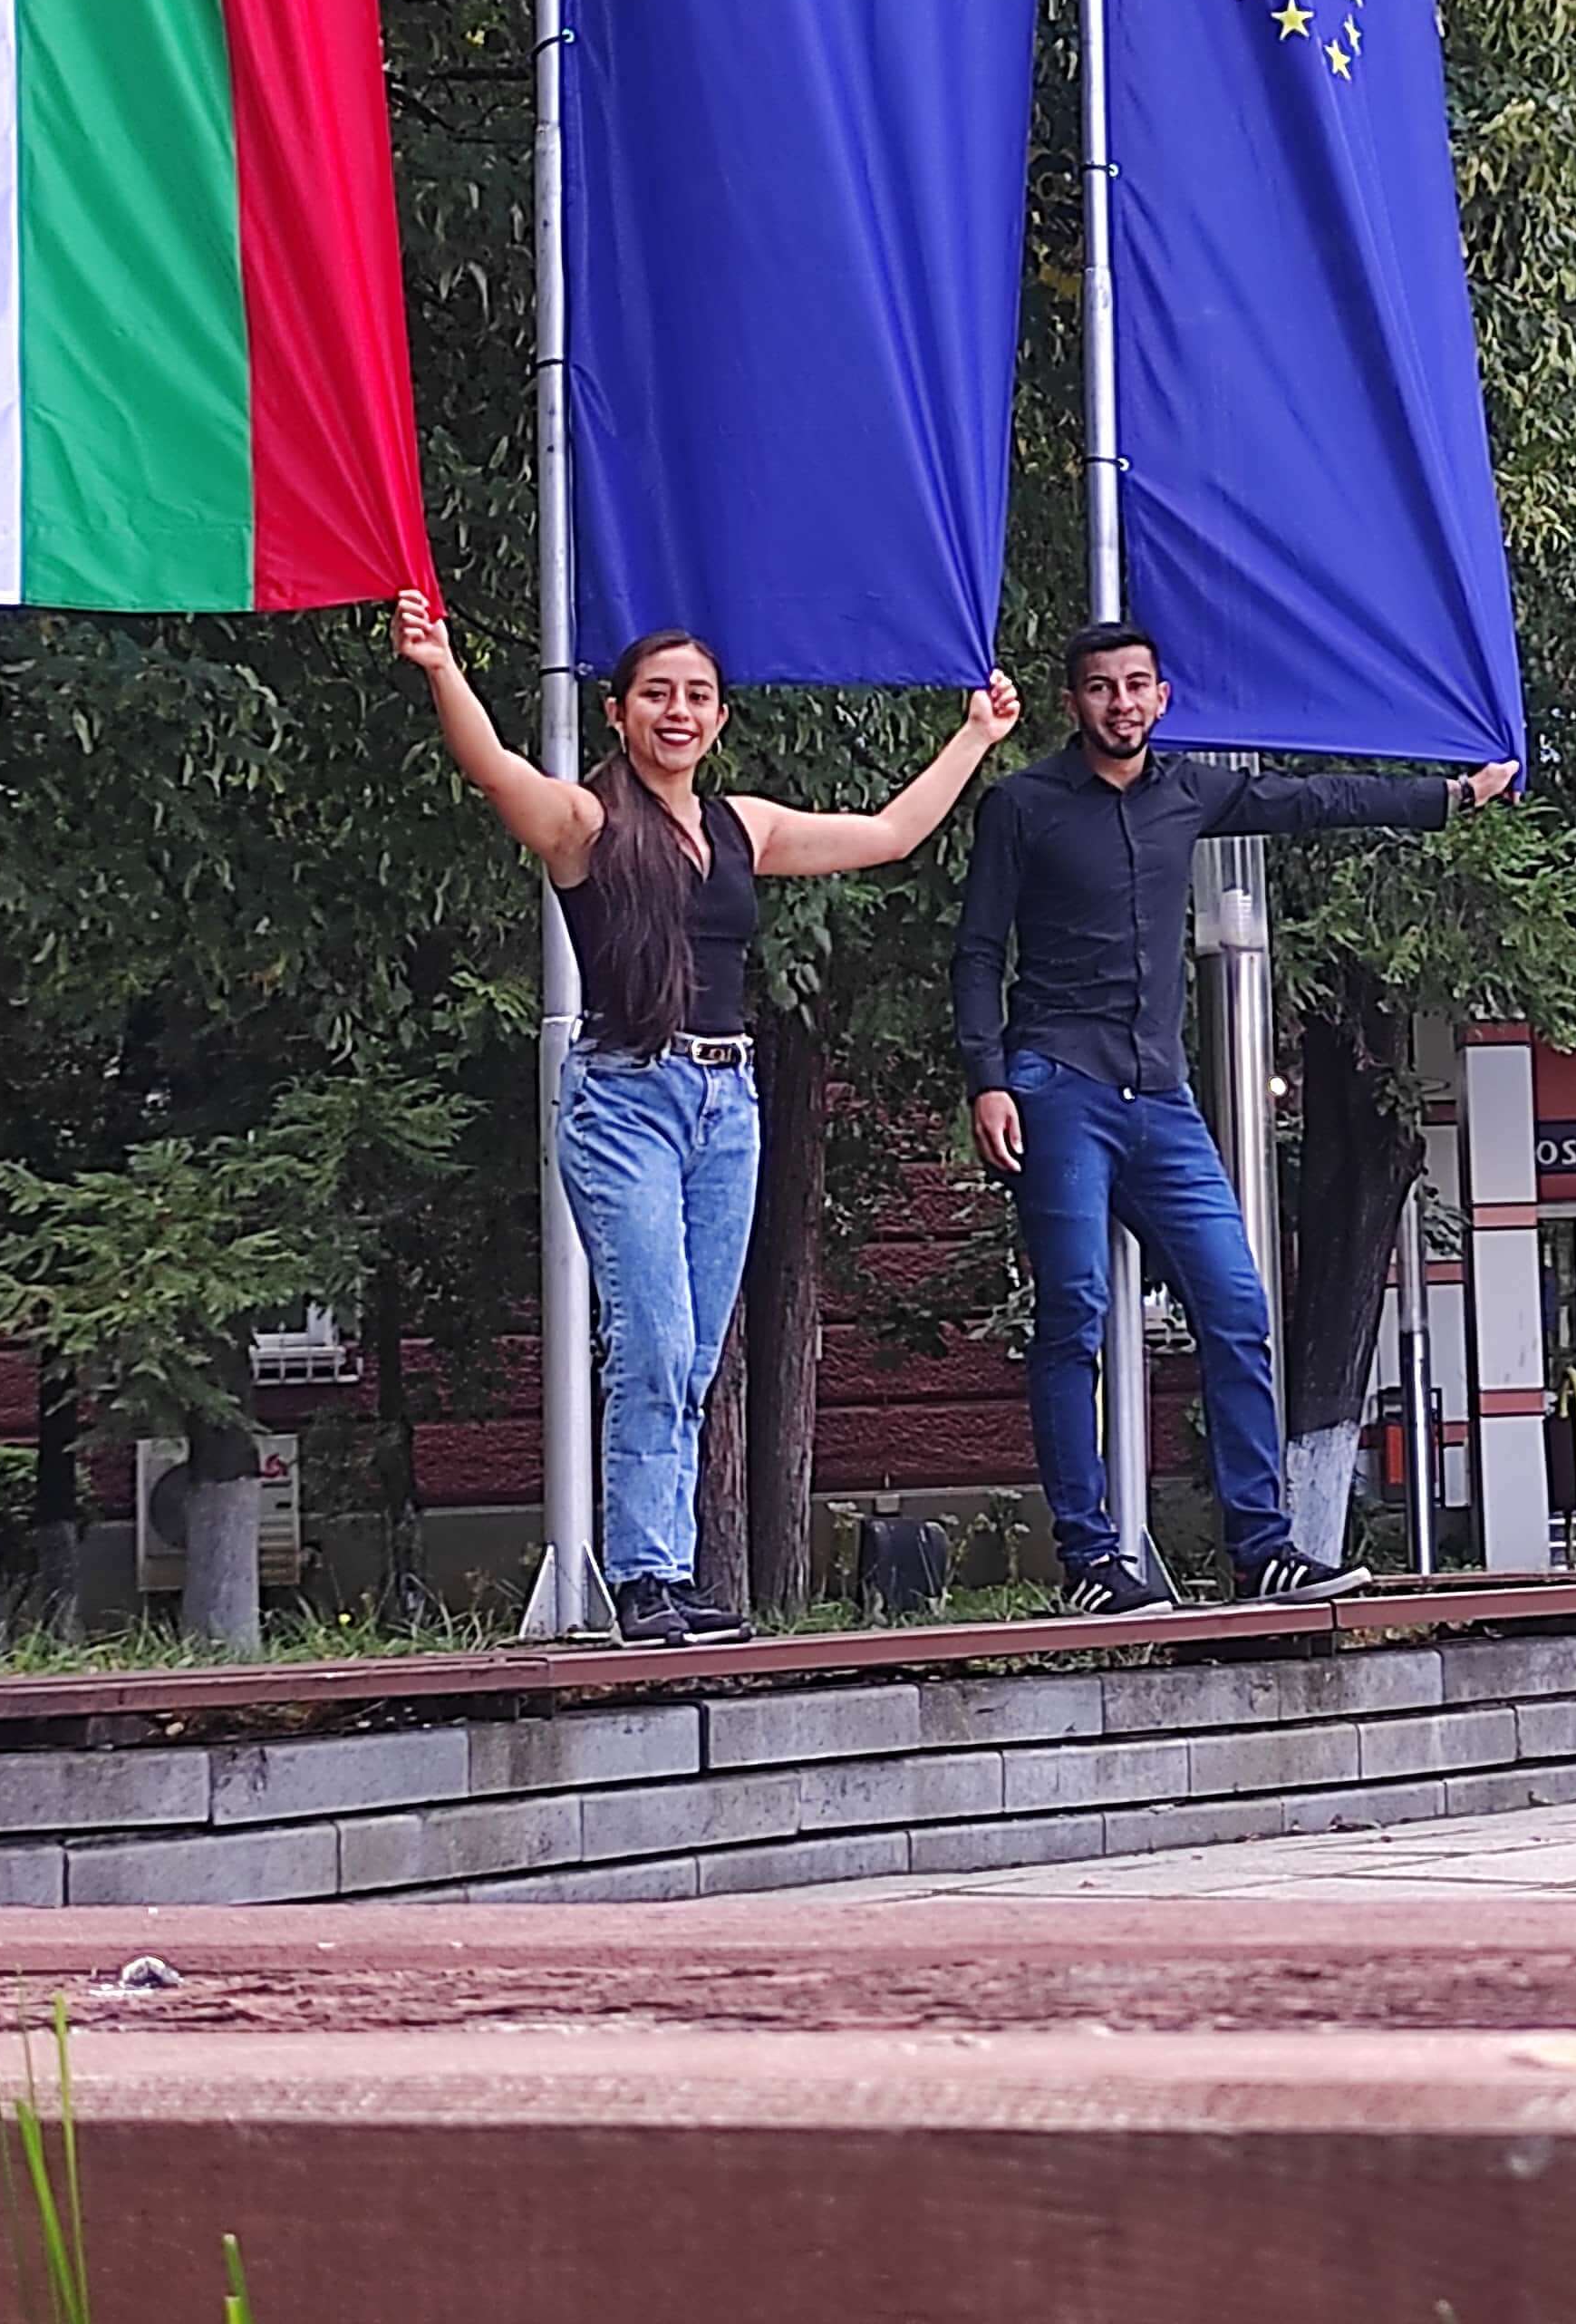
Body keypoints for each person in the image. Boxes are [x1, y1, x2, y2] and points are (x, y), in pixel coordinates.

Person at [397, 590, 1022, 1646]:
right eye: (656, 695)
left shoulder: (746, 823)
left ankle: (672, 1572)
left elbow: (885, 835)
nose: (676, 712)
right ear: (618, 712)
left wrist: (974, 735)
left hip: (728, 1103)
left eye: (696, 696)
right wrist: (440, 666)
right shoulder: (587, 823)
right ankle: (643, 1579)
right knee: (653, 1341)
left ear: (720, 716)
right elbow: (493, 769)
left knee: (692, 1360)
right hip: (625, 1095)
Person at [957, 620, 1515, 1612]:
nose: (1120, 702)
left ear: (1161, 699)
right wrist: (987, 1077)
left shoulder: (1190, 791)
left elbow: (1315, 801)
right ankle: (1091, 1561)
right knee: (1074, 1316)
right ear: (1072, 702)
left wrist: (1447, 797)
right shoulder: (1021, 805)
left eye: (1136, 685)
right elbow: (975, 950)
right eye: (1100, 687)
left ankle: (1263, 1547)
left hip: (1158, 1095)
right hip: (1059, 1086)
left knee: (1238, 1307)